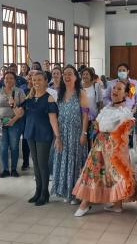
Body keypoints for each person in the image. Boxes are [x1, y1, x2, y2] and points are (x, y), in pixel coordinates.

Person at [72, 80, 135, 217]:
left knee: (115, 174)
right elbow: (98, 123)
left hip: (114, 146)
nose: (115, 91)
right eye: (114, 88)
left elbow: (124, 132)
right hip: (101, 143)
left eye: (119, 89)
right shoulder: (107, 108)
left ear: (125, 94)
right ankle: (86, 202)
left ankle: (117, 204)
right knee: (92, 172)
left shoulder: (125, 111)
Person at [16, 71, 60, 206]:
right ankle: (38, 191)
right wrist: (16, 111)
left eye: (39, 80)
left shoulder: (49, 98)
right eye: (34, 80)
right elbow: (19, 112)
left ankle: (44, 193)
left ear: (46, 81)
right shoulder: (30, 98)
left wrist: (57, 136)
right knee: (35, 164)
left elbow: (53, 119)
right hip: (30, 133)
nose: (36, 82)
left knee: (42, 164)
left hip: (43, 134)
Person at [51, 65, 89, 204]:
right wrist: (57, 135)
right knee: (63, 160)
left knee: (76, 161)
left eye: (70, 74)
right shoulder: (59, 92)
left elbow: (85, 116)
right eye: (64, 74)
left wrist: (84, 133)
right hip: (62, 133)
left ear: (75, 77)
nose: (67, 76)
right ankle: (67, 191)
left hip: (76, 132)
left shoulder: (81, 93)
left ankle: (78, 194)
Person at [0, 71, 26, 178]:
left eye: (11, 78)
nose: (8, 80)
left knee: (14, 146)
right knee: (3, 147)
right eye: (6, 78)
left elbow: (23, 109)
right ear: (3, 80)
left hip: (15, 123)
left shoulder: (19, 92)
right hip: (1, 123)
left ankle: (13, 169)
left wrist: (13, 120)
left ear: (15, 80)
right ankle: (5, 170)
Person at [81, 67, 103, 151]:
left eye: (87, 74)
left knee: (93, 140)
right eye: (83, 74)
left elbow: (100, 103)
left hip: (94, 118)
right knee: (83, 139)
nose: (85, 76)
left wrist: (98, 118)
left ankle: (93, 160)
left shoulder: (96, 86)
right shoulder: (79, 87)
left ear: (91, 76)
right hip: (82, 118)